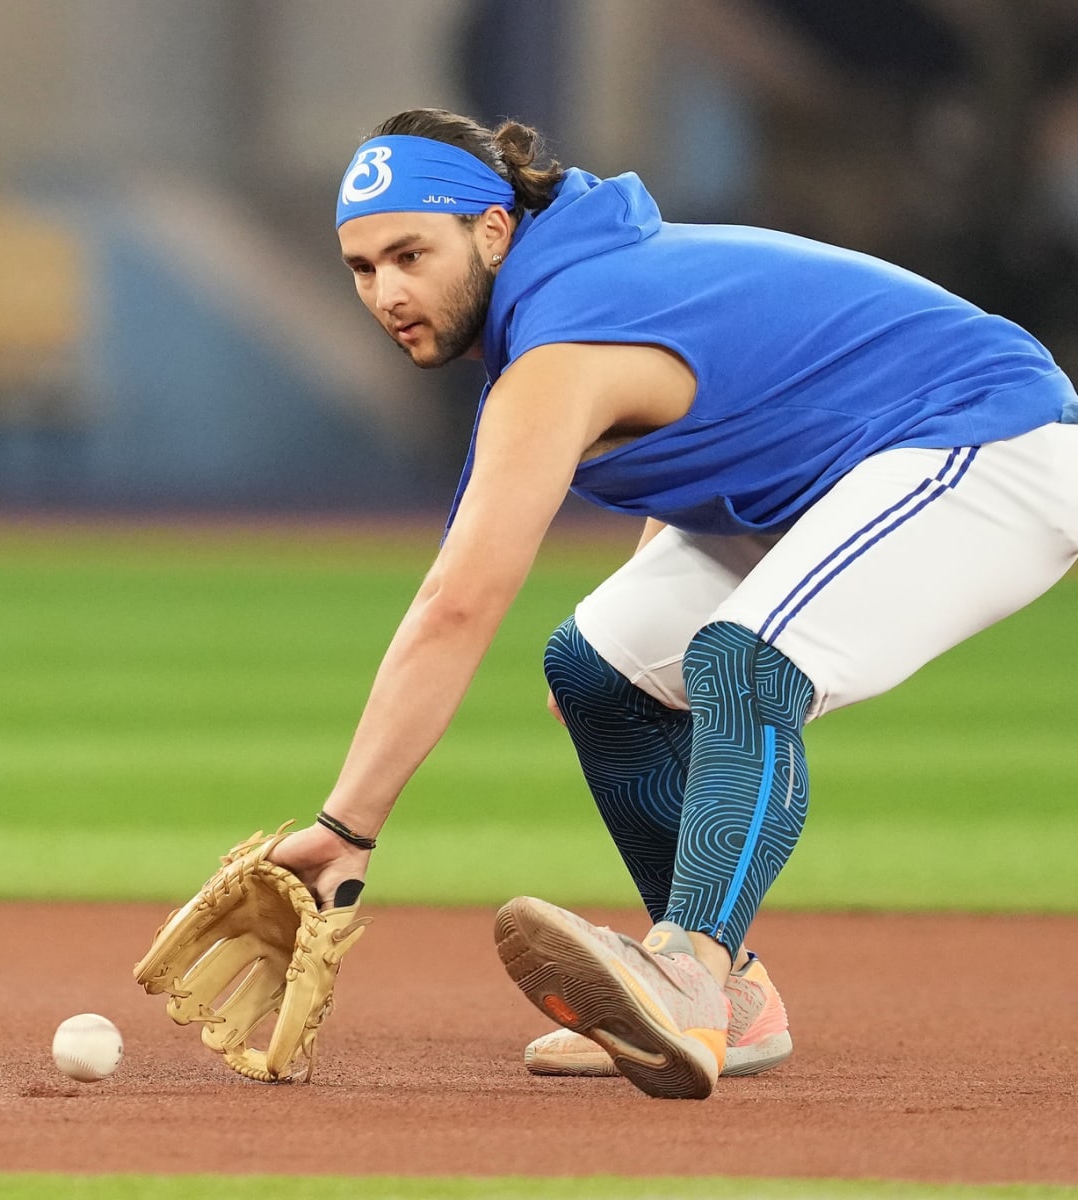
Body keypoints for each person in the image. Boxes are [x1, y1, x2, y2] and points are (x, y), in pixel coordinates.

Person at [267, 107, 1078, 1100]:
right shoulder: (573, 292)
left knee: (744, 663)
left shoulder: (560, 343)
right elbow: (718, 420)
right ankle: (727, 999)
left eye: (409, 253)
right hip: (831, 470)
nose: (387, 291)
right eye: (361, 267)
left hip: (986, 437)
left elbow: (458, 602)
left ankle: (690, 966)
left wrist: (345, 829)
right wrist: (635, 648)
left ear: (490, 232)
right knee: (596, 668)